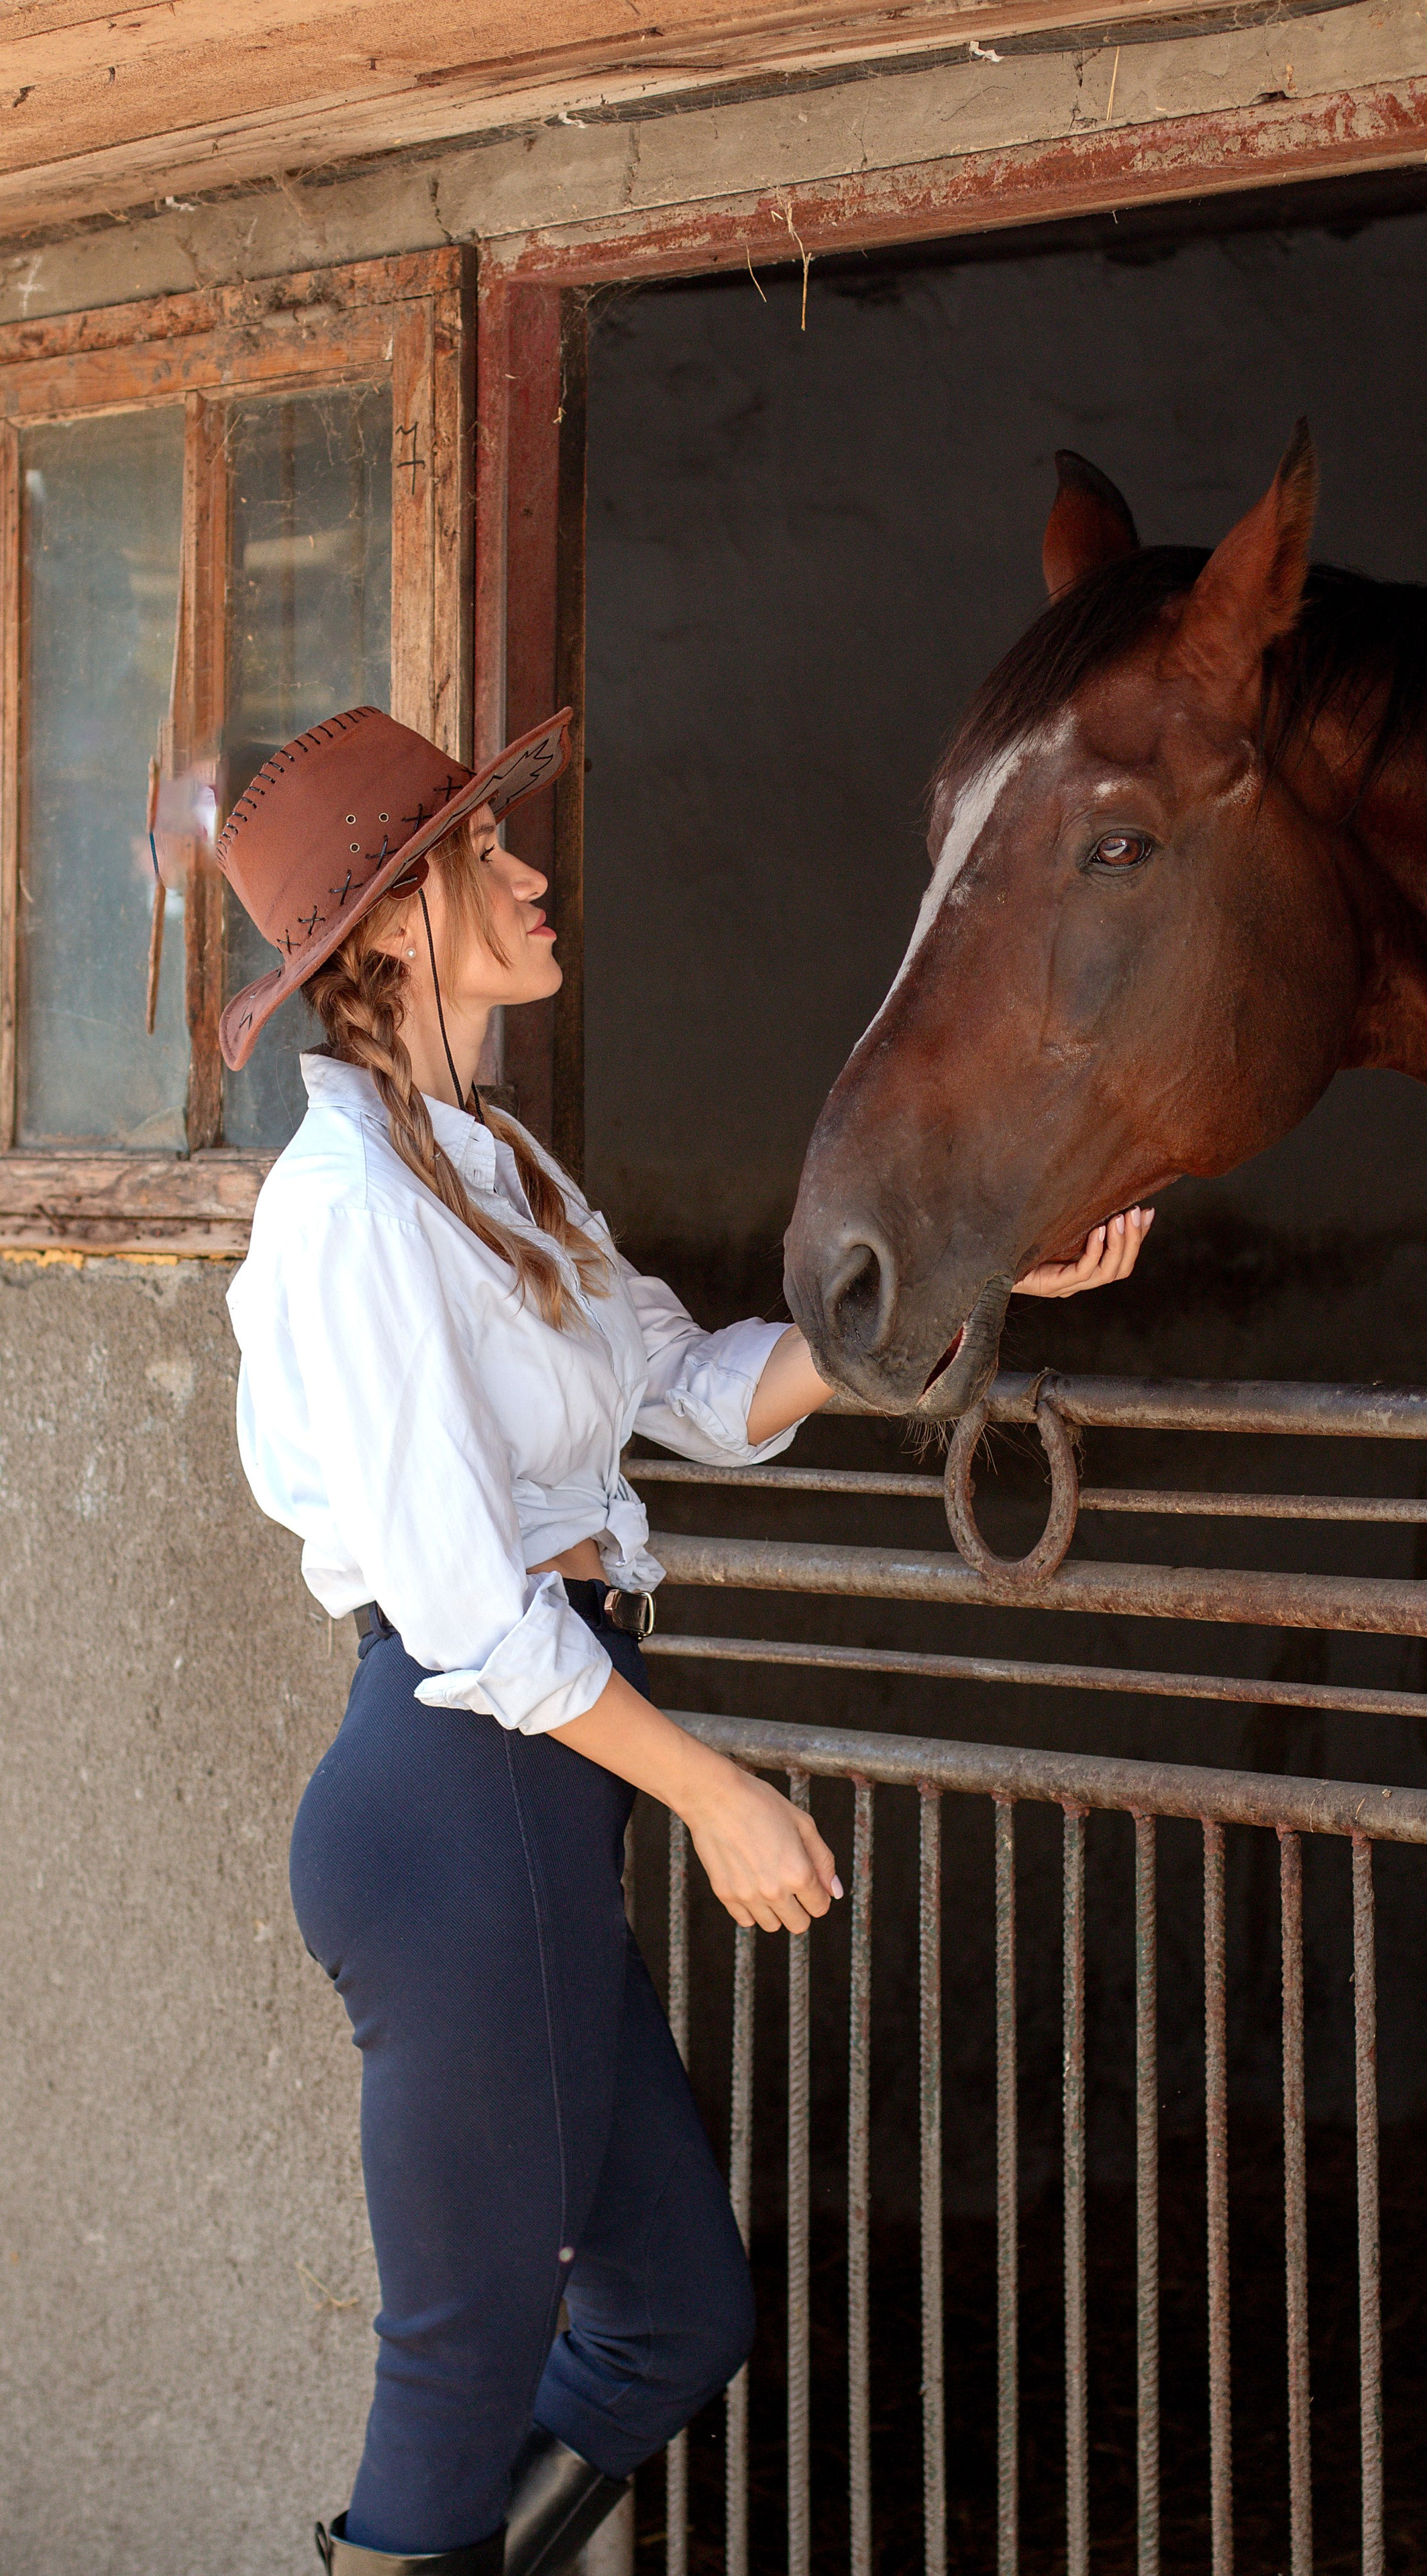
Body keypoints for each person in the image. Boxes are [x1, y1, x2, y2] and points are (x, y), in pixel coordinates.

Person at [217, 703, 1148, 2576]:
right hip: (459, 1779)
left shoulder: (498, 1174)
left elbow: (705, 1391)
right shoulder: (349, 1210)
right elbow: (473, 1604)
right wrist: (714, 1790)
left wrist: (970, 1272)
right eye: (490, 852)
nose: (536, 870)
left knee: (673, 2314)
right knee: (456, 2371)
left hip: (531, 1795)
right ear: (394, 924)